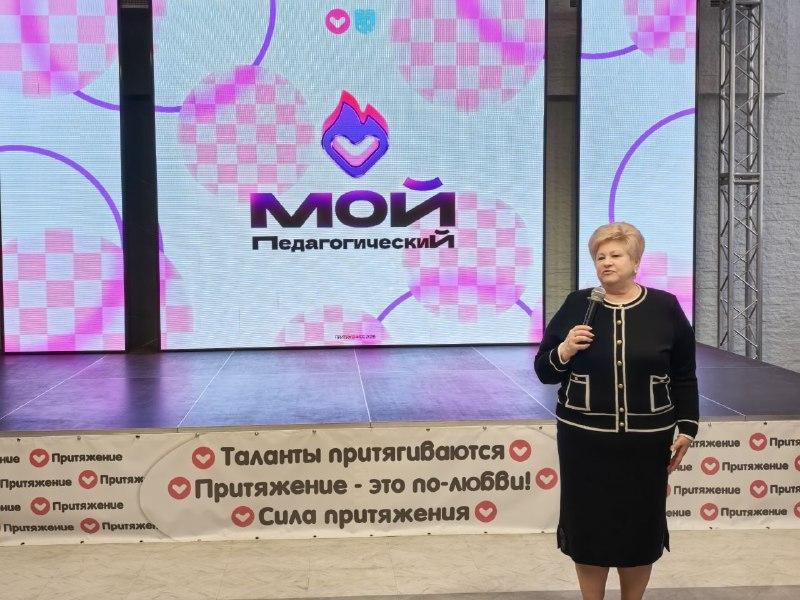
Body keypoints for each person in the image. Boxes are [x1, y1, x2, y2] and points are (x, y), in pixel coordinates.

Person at [534, 222, 699, 600]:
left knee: (639, 530)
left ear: (636, 262)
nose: (606, 262)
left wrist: (688, 427)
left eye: (615, 255)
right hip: (584, 443)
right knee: (588, 529)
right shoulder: (578, 305)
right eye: (599, 256)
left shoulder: (665, 307)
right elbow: (544, 371)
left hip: (646, 443)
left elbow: (684, 374)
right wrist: (565, 350)